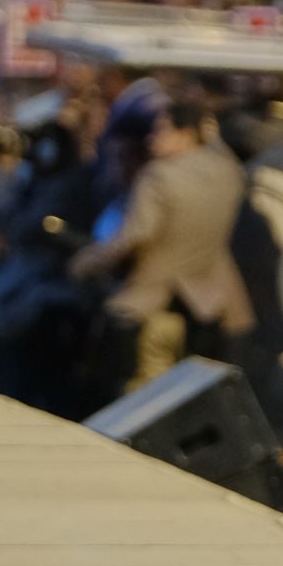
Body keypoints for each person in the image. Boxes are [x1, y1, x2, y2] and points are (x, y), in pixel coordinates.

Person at [72, 102, 257, 391]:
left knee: (144, 391)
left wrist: (86, 262)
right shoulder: (227, 170)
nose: (152, 138)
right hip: (213, 301)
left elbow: (134, 236)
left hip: (154, 301)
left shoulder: (159, 175)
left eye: (162, 130)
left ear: (186, 134)